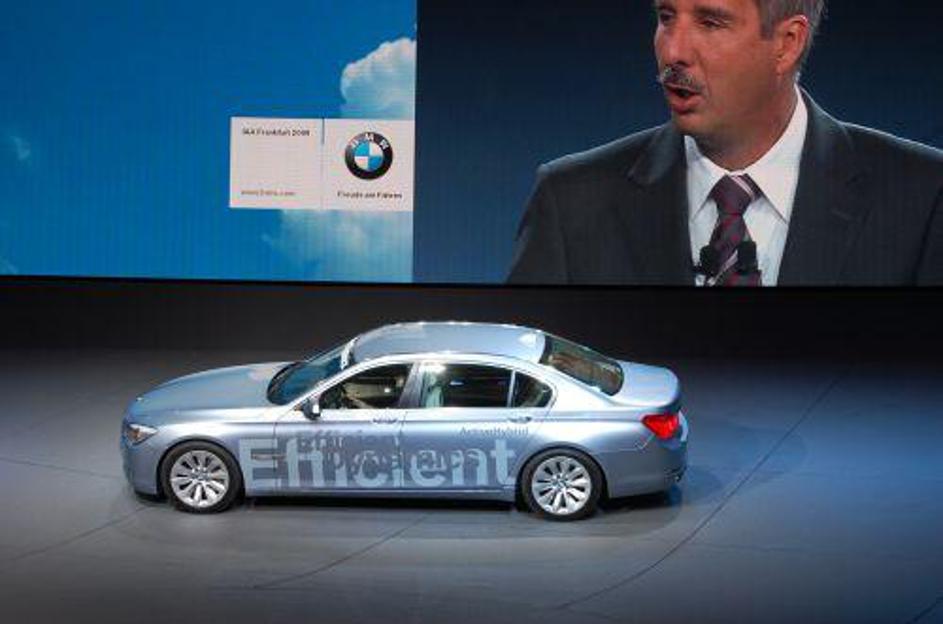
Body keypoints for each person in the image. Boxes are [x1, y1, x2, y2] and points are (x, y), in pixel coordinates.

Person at [508, 0, 943, 286]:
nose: (673, 52)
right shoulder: (572, 201)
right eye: (666, 17)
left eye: (710, 22)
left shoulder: (921, 196)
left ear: (787, 44)